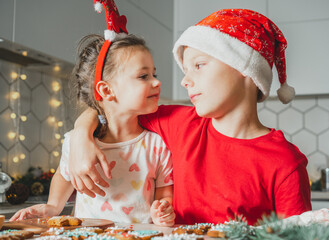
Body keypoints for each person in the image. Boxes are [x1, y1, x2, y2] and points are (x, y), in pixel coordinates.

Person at [67, 9, 312, 225]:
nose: (185, 80)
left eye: (199, 65)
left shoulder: (285, 163)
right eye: (185, 70)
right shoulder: (179, 123)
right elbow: (112, 106)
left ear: (244, 69)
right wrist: (81, 136)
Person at [9, 33, 175, 226]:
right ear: (106, 91)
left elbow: (164, 191)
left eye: (154, 74)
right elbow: (64, 176)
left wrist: (163, 209)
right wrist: (53, 206)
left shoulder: (157, 144)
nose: (156, 82)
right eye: (143, 76)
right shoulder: (76, 142)